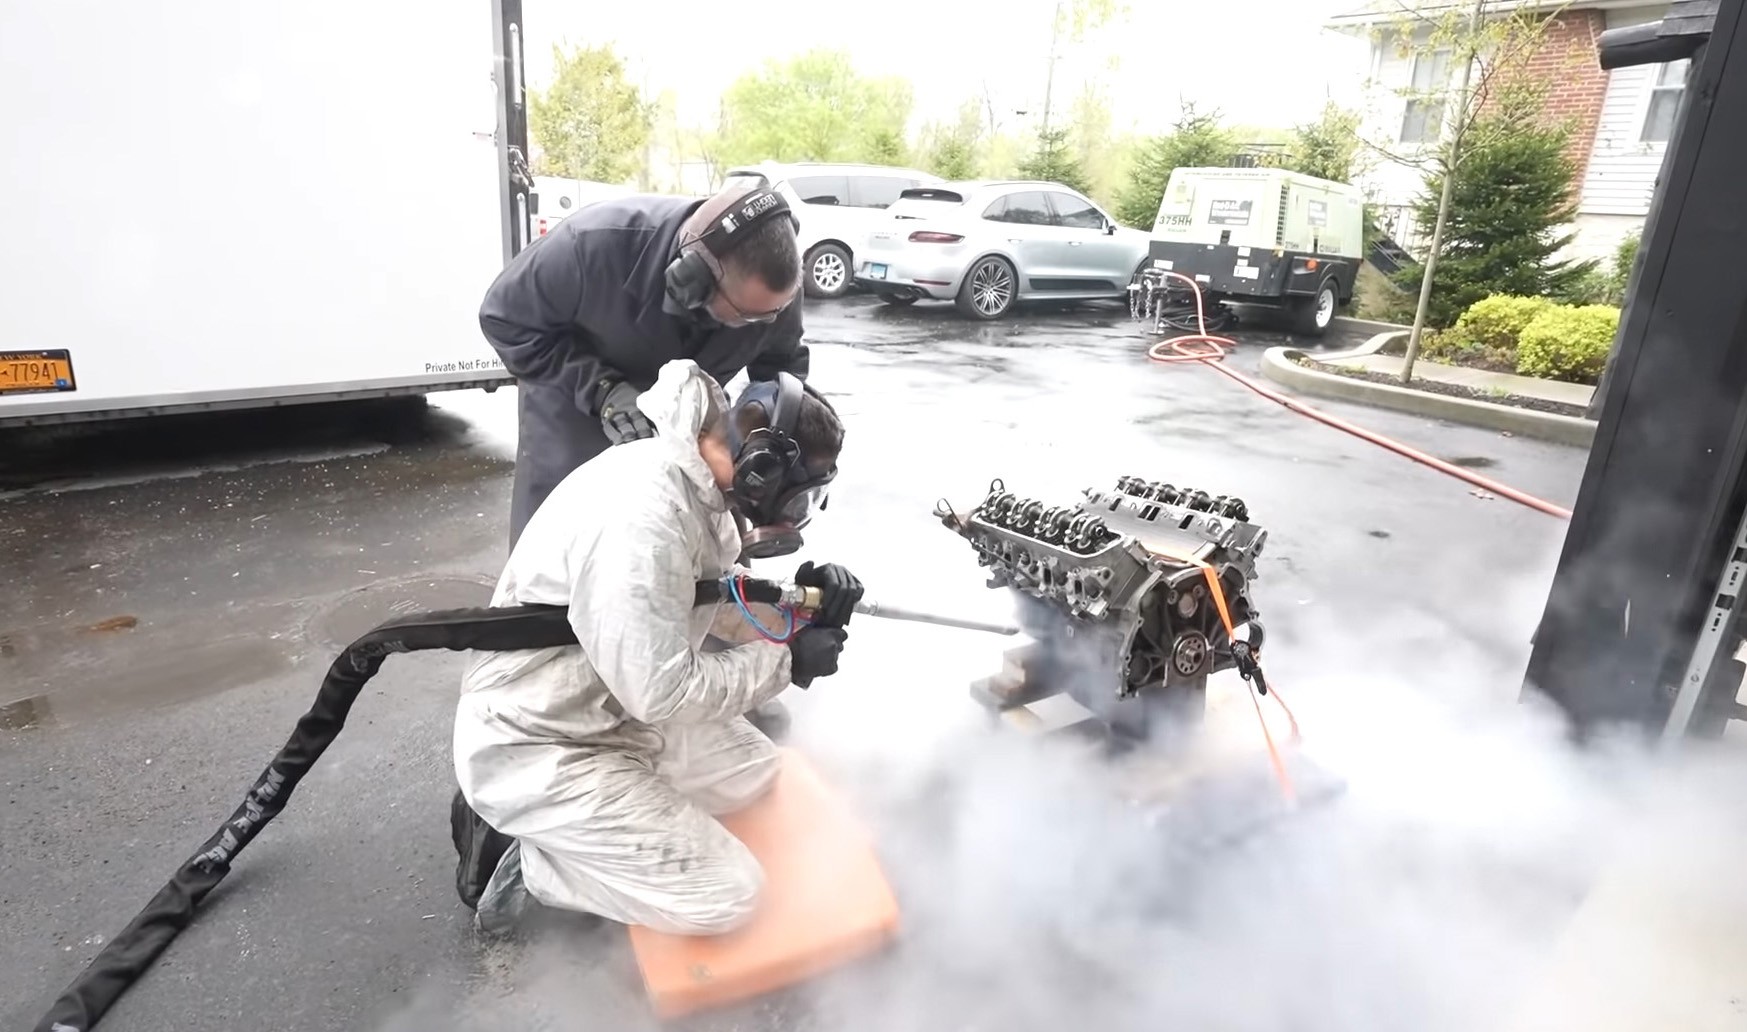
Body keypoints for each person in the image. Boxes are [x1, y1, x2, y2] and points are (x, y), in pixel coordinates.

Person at [450, 358, 864, 936]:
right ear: (760, 470)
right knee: (729, 897)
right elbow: (663, 693)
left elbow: (709, 599)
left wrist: (803, 605)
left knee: (757, 774)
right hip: (543, 737)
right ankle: (535, 862)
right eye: (796, 501)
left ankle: (620, 822)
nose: (795, 517)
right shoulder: (642, 522)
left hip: (609, 706)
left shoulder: (698, 484)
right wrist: (789, 661)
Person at [478, 177, 814, 548]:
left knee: (694, 556)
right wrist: (601, 390)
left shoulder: (771, 295)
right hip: (577, 416)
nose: (764, 324)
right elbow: (504, 318)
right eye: (746, 316)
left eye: (770, 314)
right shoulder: (591, 245)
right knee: (565, 551)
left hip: (689, 433)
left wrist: (774, 457)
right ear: (690, 281)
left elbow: (780, 373)